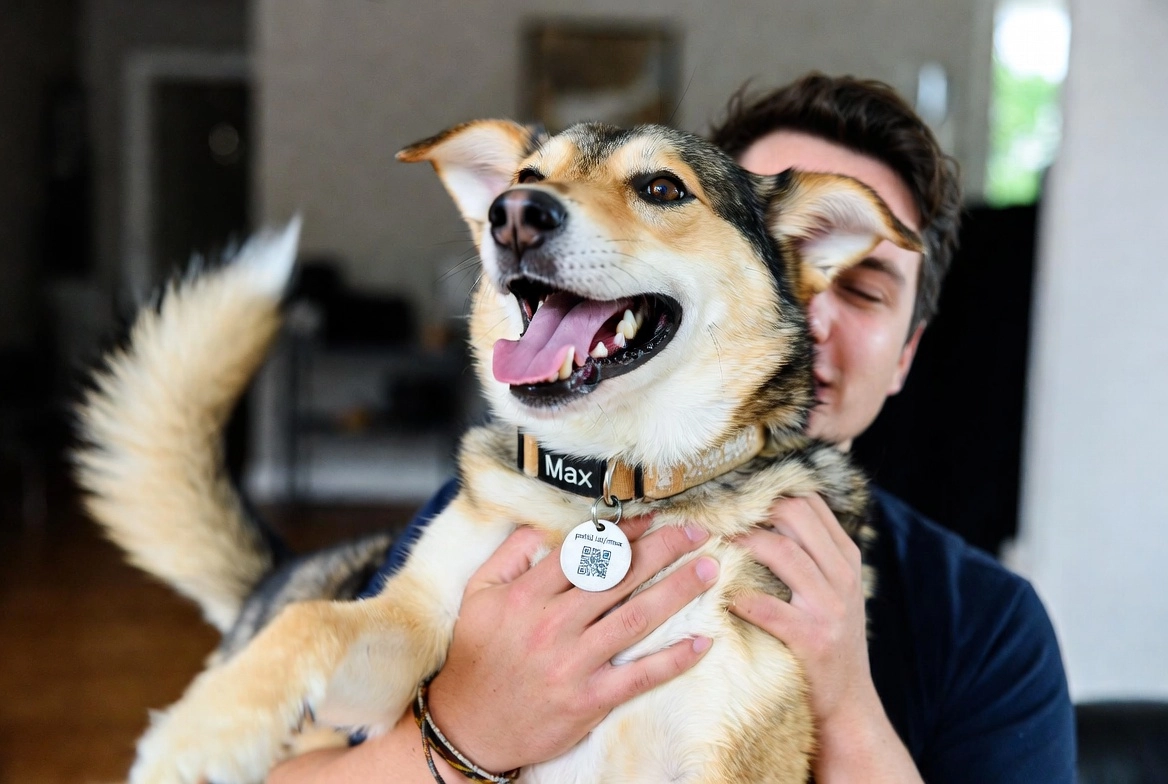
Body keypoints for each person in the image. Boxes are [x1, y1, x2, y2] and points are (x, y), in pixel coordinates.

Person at [270, 73, 1075, 783]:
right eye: (766, 252)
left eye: (860, 284)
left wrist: (846, 701)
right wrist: (467, 733)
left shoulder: (988, 623)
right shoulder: (507, 515)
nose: (800, 310)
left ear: (907, 354)